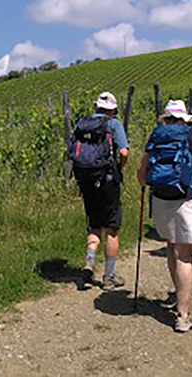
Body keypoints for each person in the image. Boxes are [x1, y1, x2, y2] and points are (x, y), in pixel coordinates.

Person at [138, 100, 192, 332]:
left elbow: (142, 175)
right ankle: (183, 315)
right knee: (185, 256)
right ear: (184, 117)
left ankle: (179, 297)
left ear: (166, 118)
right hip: (188, 199)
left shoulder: (156, 135)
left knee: (171, 247)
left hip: (161, 198)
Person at [70, 92, 130, 289]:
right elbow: (123, 151)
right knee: (112, 228)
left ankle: (89, 264)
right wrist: (121, 167)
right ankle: (109, 276)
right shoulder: (114, 124)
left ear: (96, 107)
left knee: (94, 225)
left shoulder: (82, 123)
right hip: (108, 180)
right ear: (112, 109)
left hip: (86, 180)